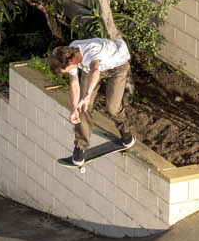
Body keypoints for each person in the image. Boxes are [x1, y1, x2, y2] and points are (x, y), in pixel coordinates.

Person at [49, 36, 135, 168]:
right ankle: (80, 148)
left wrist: (88, 95)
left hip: (117, 66)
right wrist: (74, 108)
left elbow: (95, 71)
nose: (68, 72)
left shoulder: (91, 52)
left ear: (71, 61)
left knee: (112, 108)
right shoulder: (70, 53)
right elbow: (74, 84)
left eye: (66, 70)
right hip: (94, 68)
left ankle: (126, 134)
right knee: (82, 107)